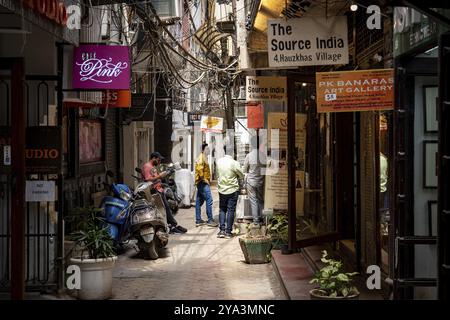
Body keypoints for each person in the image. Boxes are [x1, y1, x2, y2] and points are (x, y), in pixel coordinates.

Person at [142, 152, 187, 234]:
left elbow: (155, 177)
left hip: (160, 190)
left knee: (166, 208)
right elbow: (148, 179)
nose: (159, 162)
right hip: (154, 192)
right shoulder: (147, 166)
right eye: (158, 160)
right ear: (153, 158)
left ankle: (172, 225)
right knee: (165, 209)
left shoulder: (153, 167)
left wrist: (163, 175)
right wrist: (160, 176)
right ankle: (172, 226)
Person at [216, 146, 244, 238]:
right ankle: (228, 232)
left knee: (222, 209)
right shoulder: (234, 163)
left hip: (222, 189)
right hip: (232, 190)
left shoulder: (219, 161)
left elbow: (217, 174)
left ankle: (222, 231)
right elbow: (241, 175)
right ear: (233, 153)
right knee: (231, 210)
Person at [243, 135, 266, 225]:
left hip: (251, 182)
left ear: (252, 144)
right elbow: (266, 168)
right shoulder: (263, 156)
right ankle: (263, 220)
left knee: (253, 200)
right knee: (261, 200)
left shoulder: (249, 155)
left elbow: (244, 170)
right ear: (260, 144)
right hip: (261, 181)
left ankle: (256, 221)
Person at [194, 142, 218, 227]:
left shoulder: (204, 157)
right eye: (207, 149)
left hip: (201, 182)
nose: (208, 150)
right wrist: (204, 180)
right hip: (202, 182)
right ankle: (210, 220)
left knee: (198, 201)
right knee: (209, 200)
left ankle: (198, 220)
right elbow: (200, 170)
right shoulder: (201, 158)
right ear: (202, 150)